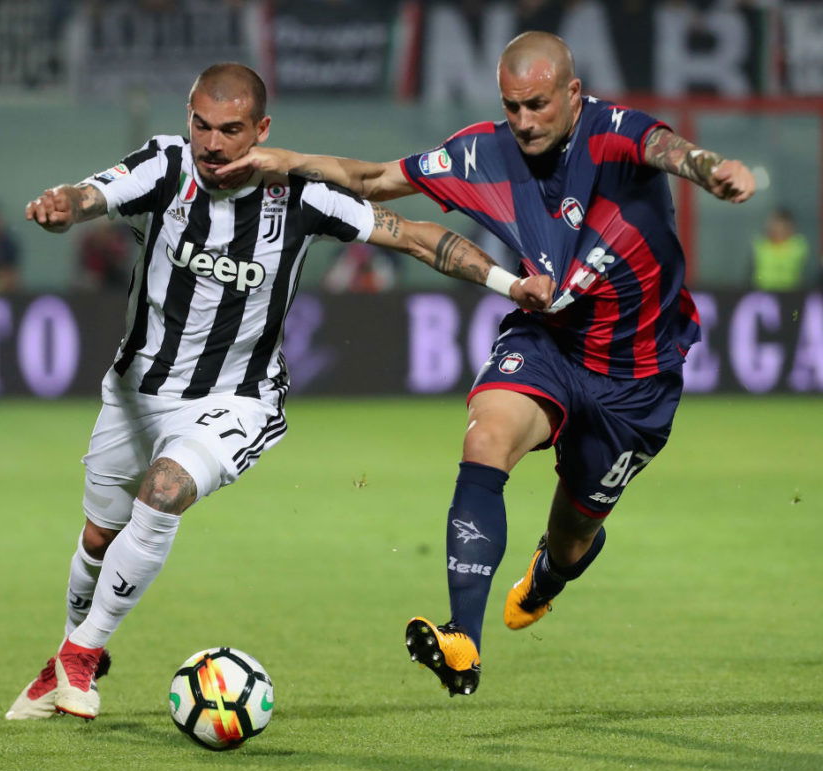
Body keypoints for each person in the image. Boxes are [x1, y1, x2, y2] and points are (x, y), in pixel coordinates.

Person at [5, 62, 553, 721]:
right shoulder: (166, 166)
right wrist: (64, 206)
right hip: (135, 391)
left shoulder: (301, 194)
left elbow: (409, 236)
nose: (212, 144)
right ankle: (68, 654)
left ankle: (82, 657)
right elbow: (93, 193)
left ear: (262, 130)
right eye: (201, 125)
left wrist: (507, 284)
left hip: (235, 399)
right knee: (98, 539)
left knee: (165, 489)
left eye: (230, 130)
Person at [217, 32, 756, 696]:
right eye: (512, 106)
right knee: (487, 437)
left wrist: (712, 167)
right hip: (549, 341)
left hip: (636, 377)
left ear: (572, 94)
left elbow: (668, 149)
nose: (524, 122)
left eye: (536, 105)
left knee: (574, 533)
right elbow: (374, 179)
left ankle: (552, 572)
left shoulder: (614, 133)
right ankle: (463, 638)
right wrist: (288, 161)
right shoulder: (480, 151)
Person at [751, 207, 811, 291]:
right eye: (775, 224)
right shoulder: (759, 244)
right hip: (763, 291)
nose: (778, 228)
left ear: (790, 227)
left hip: (791, 291)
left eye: (782, 225)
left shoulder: (798, 245)